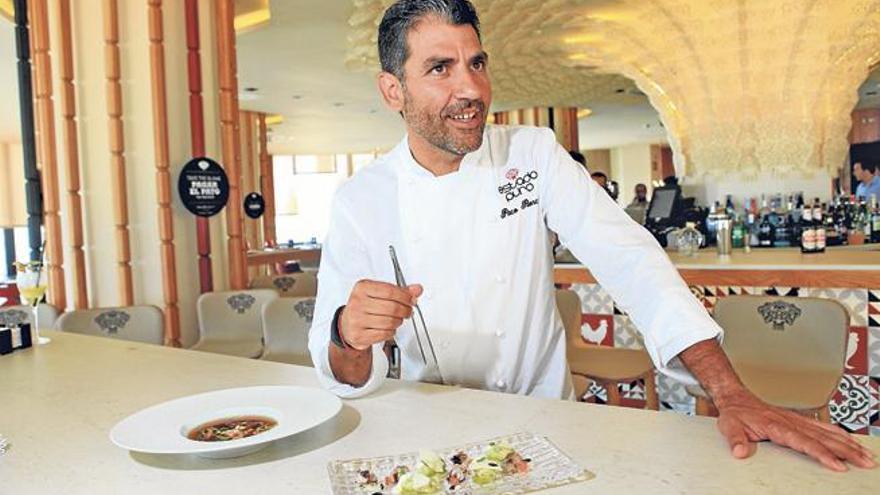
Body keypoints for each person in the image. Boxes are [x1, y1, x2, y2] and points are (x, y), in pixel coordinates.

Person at [308, 0, 874, 472]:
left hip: (546, 423)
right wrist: (346, 332)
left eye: (476, 63)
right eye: (440, 69)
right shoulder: (362, 200)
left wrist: (729, 392)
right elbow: (345, 370)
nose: (472, 89)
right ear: (392, 90)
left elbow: (630, 260)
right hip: (433, 434)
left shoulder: (531, 154)